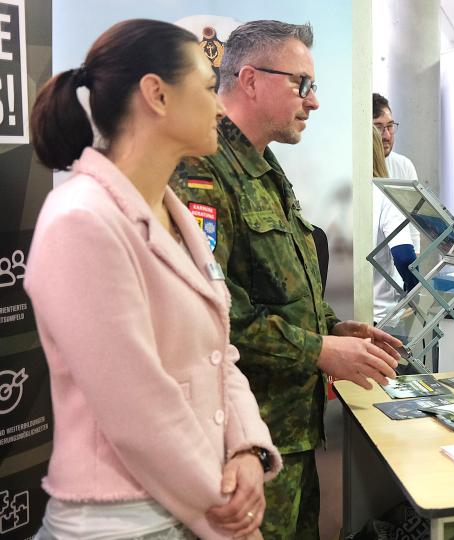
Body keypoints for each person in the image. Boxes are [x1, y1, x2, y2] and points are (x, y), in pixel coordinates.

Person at [25, 19, 280, 539]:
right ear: (156, 95)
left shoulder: (172, 212)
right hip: (121, 522)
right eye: (208, 88)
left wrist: (247, 449)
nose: (219, 108)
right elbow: (137, 408)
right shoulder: (81, 219)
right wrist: (228, 518)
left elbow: (218, 354)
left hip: (186, 511)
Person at [170, 20, 400, 539]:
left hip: (289, 434)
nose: (313, 101)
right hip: (239, 441)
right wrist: (318, 349)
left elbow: (279, 284)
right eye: (302, 84)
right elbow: (209, 314)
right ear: (250, 80)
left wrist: (332, 328)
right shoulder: (202, 171)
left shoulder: (263, 166)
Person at [371, 93, 418, 320]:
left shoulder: (403, 166)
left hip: (388, 294)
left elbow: (413, 228)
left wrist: (411, 289)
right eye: (379, 128)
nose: (387, 135)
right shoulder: (383, 195)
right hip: (381, 307)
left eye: (390, 126)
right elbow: (404, 255)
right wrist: (417, 287)